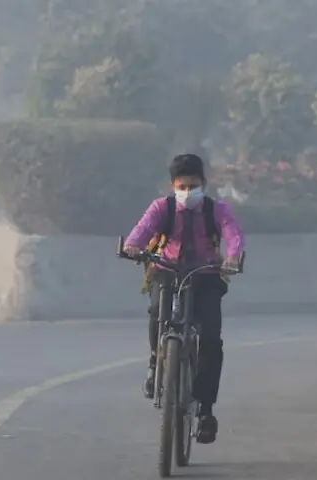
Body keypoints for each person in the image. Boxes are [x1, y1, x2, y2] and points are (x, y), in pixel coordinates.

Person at [123, 153, 245, 444]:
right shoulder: (162, 208)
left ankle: (205, 410)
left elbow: (233, 234)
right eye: (182, 186)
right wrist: (132, 246)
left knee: (211, 340)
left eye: (193, 186)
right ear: (172, 186)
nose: (188, 192)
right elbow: (143, 230)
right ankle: (156, 363)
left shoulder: (217, 209)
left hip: (206, 274)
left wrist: (232, 256)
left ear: (204, 183)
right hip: (167, 270)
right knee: (157, 311)